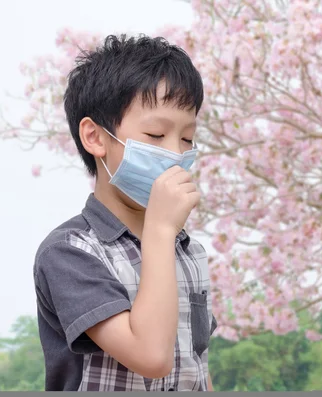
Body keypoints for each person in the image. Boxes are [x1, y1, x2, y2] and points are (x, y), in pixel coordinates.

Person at [32, 33, 217, 392]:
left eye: (187, 138)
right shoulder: (71, 252)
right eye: (155, 134)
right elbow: (151, 358)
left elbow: (197, 365)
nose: (175, 154)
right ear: (95, 137)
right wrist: (159, 232)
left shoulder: (189, 251)